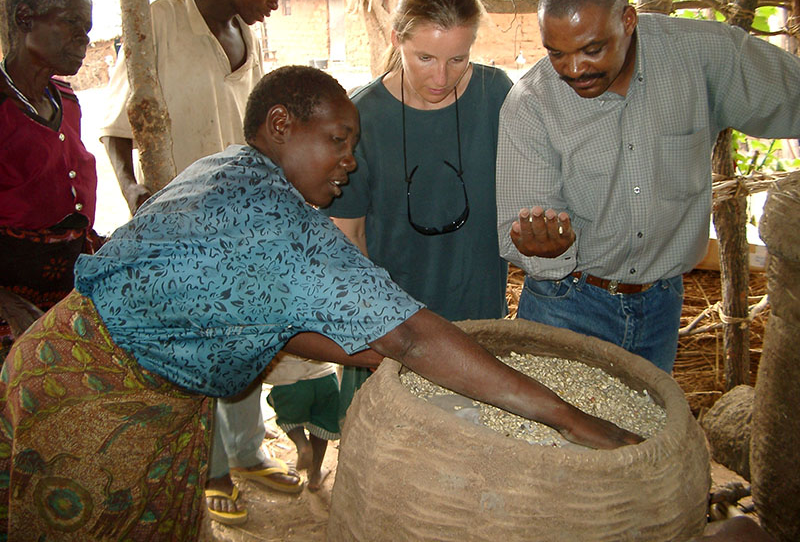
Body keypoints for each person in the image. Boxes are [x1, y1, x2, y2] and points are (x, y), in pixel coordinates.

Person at [0, 65, 641, 540]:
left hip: (71, 359)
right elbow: (414, 337)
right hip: (97, 402)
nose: (350, 162)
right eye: (338, 140)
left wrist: (379, 352)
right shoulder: (282, 225)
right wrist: (571, 420)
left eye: (353, 146)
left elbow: (261, 321)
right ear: (282, 125)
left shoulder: (225, 168)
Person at [496, 0, 800, 373]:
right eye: (556, 54)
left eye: (592, 49)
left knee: (644, 435)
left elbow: (790, 97)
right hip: (566, 305)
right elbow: (515, 228)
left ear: (628, 20)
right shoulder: (531, 105)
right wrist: (544, 247)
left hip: (661, 306)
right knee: (554, 436)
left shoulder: (700, 56)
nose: (574, 69)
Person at [98, 0, 300, 524]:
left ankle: (248, 453)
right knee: (195, 348)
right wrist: (133, 189)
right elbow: (117, 123)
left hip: (238, 223)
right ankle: (209, 469)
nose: (274, 3)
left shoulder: (248, 38)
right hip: (177, 225)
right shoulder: (158, 20)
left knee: (241, 338)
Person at [323, 0, 512, 424]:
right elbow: (346, 234)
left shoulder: (497, 95)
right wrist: (372, 326)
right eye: (424, 57)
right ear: (396, 40)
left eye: (458, 59)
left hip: (479, 322)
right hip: (396, 328)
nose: (441, 77)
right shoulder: (362, 116)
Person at [0, 0, 101, 360]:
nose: (85, 38)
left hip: (67, 284)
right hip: (12, 297)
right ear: (25, 19)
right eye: (72, 22)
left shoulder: (67, 102)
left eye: (88, 27)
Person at [265, 353, 340, 492]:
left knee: (289, 419)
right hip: (325, 376)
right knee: (321, 426)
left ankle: (302, 444)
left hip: (287, 380)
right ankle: (315, 474)